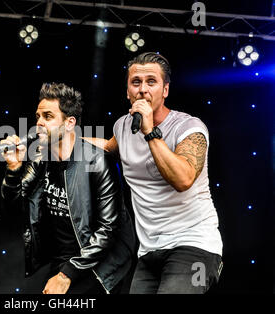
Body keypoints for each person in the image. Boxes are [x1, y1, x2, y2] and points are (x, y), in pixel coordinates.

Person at [84, 52, 223, 294]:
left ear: (165, 90)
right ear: (127, 91)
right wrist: (62, 141)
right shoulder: (123, 127)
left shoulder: (189, 127)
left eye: (151, 82)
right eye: (136, 82)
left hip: (195, 246)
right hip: (149, 252)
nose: (142, 89)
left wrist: (150, 132)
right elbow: (107, 148)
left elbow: (183, 179)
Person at [0, 82, 136, 294]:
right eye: (38, 117)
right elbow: (15, 209)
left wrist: (66, 275)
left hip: (101, 262)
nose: (39, 124)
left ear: (69, 122)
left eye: (48, 116)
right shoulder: (41, 159)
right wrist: (14, 168)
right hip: (64, 260)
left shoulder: (97, 162)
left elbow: (108, 229)